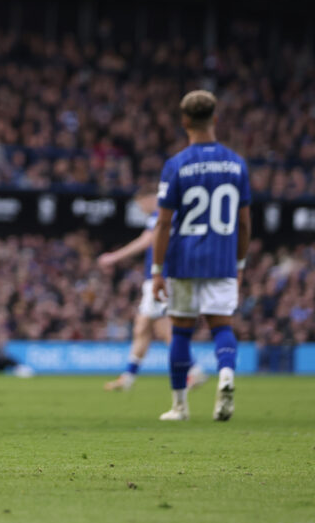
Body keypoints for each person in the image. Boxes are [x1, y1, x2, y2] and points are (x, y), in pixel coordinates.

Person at [152, 90, 251, 422]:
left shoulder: (176, 165)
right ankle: (226, 375)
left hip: (184, 260)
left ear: (184, 122)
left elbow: (163, 223)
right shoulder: (236, 164)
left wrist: (156, 270)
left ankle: (180, 406)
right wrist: (239, 264)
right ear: (215, 119)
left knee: (181, 331)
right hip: (222, 259)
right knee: (222, 326)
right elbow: (244, 223)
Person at [97, 187, 205, 392]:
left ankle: (193, 368)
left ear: (150, 198)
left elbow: (147, 240)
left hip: (160, 279)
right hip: (167, 277)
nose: (141, 209)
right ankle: (128, 377)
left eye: (140, 204)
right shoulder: (176, 214)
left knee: (163, 328)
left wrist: (113, 257)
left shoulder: (160, 214)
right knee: (143, 327)